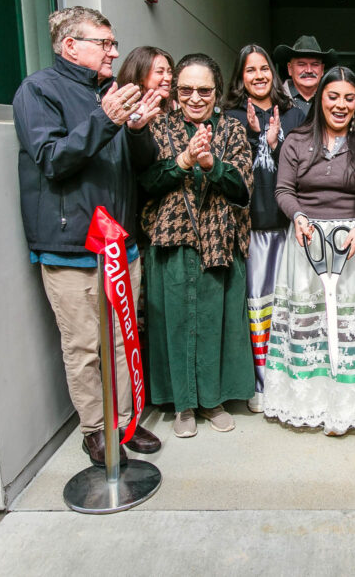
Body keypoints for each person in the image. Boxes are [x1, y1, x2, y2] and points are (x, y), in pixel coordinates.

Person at [13, 6, 163, 466]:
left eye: (113, 43)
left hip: (121, 242)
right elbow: (53, 159)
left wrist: (135, 130)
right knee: (83, 346)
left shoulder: (112, 93)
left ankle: (125, 424)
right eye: (105, 42)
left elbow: (143, 166)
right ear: (70, 45)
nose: (114, 51)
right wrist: (105, 119)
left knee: (123, 339)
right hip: (71, 246)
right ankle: (95, 431)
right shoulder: (37, 91)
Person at [263, 66, 355, 435]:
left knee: (351, 329)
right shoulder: (296, 141)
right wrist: (299, 218)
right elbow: (283, 190)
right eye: (333, 96)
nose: (340, 104)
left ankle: (349, 406)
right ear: (320, 99)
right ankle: (307, 402)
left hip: (351, 247)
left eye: (349, 98)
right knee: (309, 325)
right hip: (306, 243)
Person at [139, 53, 255, 438]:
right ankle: (183, 405)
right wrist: (185, 160)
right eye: (185, 89)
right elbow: (149, 183)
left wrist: (212, 165)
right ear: (175, 90)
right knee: (174, 322)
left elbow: (242, 189)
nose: (194, 97)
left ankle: (213, 401)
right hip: (173, 243)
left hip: (221, 242)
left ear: (217, 92)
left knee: (213, 323)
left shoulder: (234, 130)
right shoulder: (158, 127)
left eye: (204, 90)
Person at [221, 45, 307, 413]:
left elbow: (304, 166)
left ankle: (292, 378)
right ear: (240, 77)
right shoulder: (229, 117)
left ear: (273, 73)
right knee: (259, 308)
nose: (258, 76)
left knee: (292, 305)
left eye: (263, 69)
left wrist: (278, 141)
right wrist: (259, 140)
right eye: (249, 70)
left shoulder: (296, 114)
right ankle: (261, 382)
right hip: (252, 228)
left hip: (289, 225)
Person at [274, 35, 338, 115]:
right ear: (290, 69)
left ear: (322, 69)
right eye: (301, 64)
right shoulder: (275, 99)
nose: (309, 70)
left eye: (315, 64)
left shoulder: (335, 101)